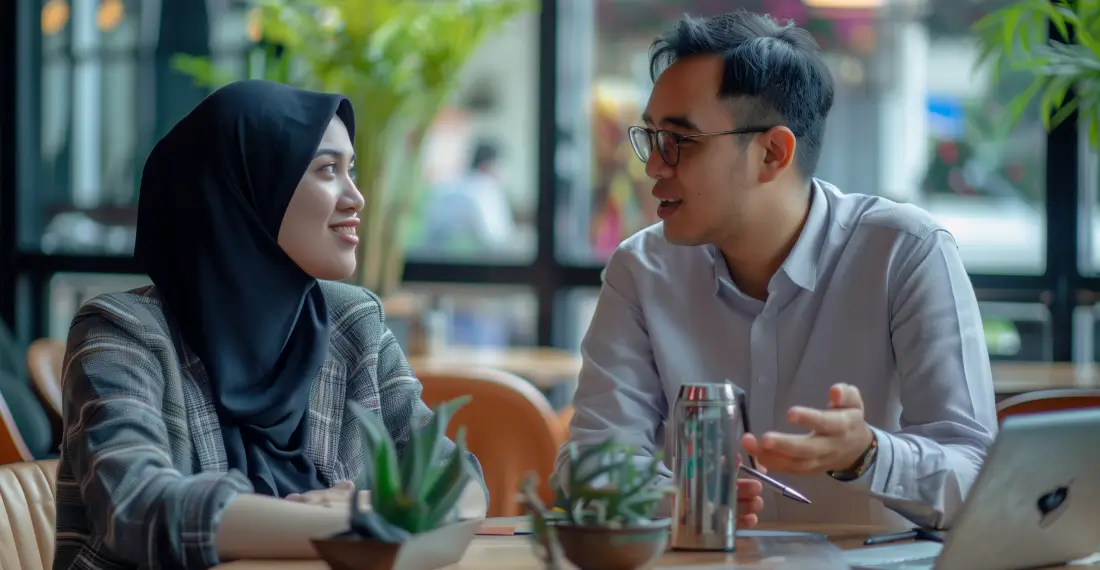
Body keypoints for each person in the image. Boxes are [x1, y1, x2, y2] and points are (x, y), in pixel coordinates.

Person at [555, 10, 997, 529]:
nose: (653, 166)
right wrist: (675, 505)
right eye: (650, 137)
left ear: (772, 153)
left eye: (678, 141)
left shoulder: (905, 252)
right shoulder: (642, 270)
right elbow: (589, 465)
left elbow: (978, 478)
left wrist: (867, 455)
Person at [53, 79, 488, 570]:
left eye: (352, 171)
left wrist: (368, 511)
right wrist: (358, 525)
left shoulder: (352, 324)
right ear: (246, 189)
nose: (356, 198)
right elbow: (138, 508)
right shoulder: (121, 334)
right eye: (328, 170)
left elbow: (458, 482)